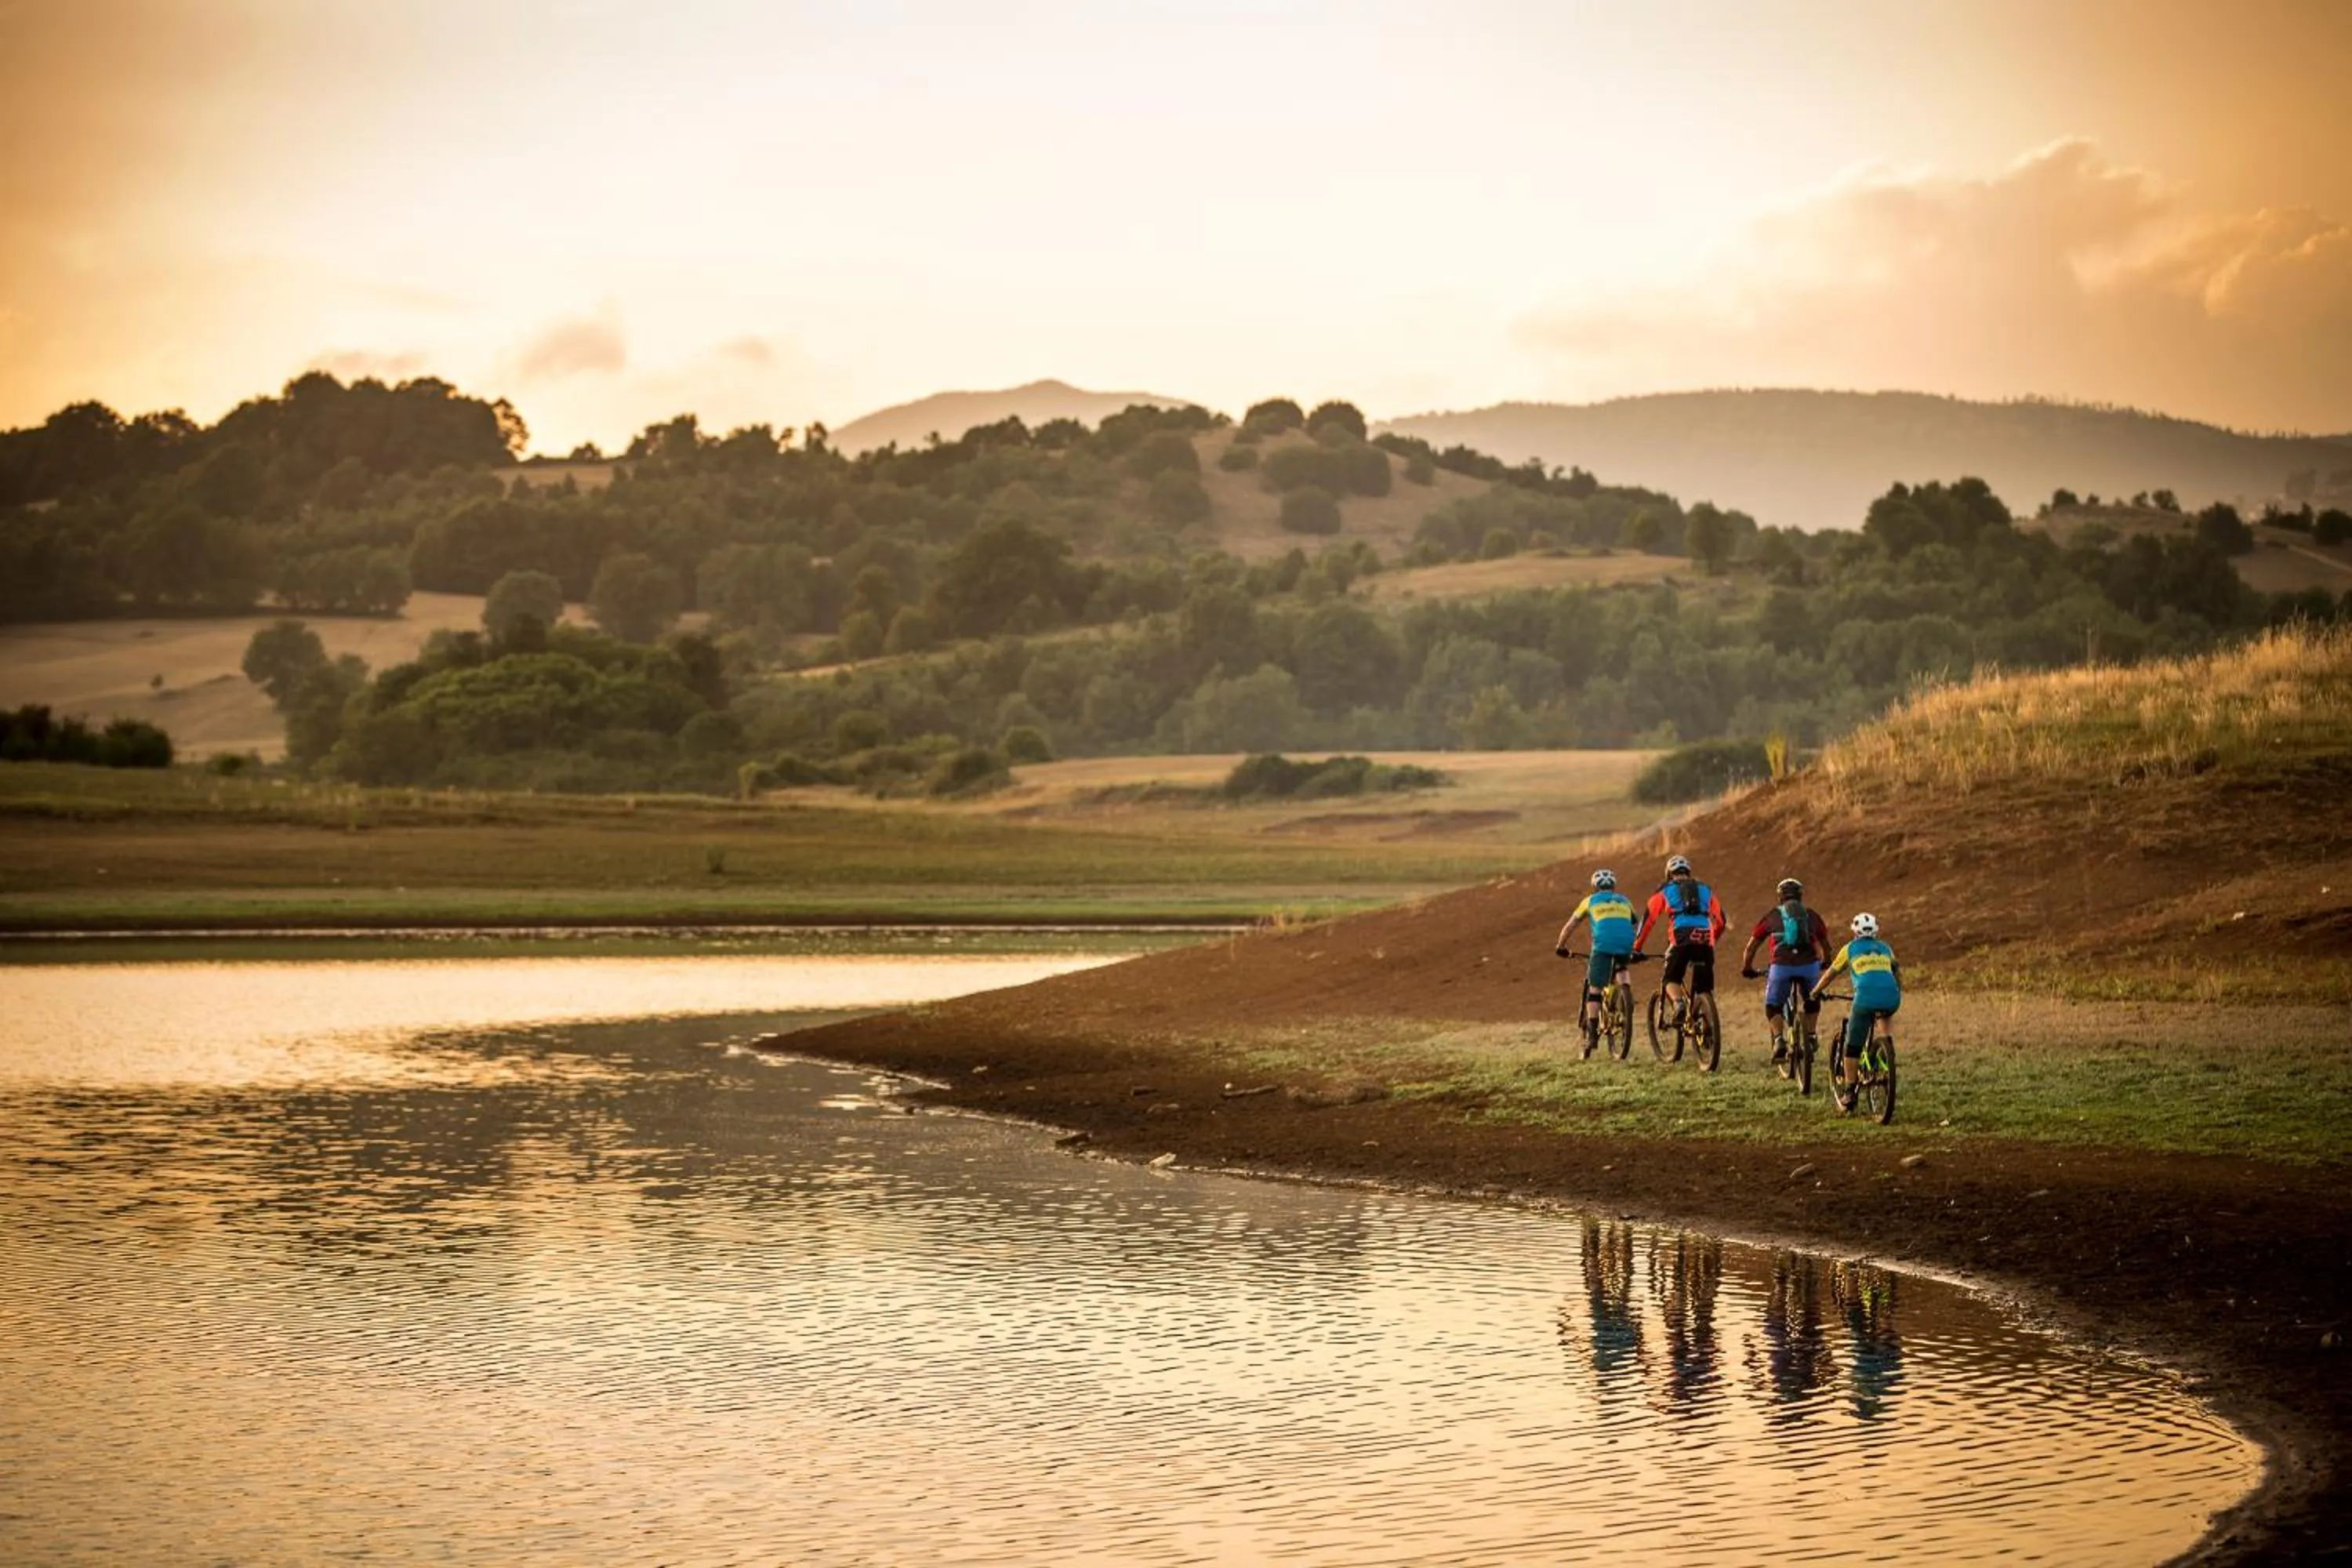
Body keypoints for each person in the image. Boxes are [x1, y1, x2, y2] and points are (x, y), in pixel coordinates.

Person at [1812, 913, 1903, 1105]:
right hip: (1892, 997)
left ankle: (1850, 1091)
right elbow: (1896, 971)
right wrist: (1897, 990)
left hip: (1864, 999)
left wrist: (1815, 991)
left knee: (1852, 1048)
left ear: (1854, 930)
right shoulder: (1886, 948)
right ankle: (1887, 1045)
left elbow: (1831, 974)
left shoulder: (1850, 948)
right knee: (1884, 1010)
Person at [1738, 877, 1832, 1063]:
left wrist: (1747, 968)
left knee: (1773, 1006)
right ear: (1800, 897)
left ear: (1780, 897)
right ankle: (1811, 1035)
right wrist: (1826, 961)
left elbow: (1751, 948)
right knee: (1812, 999)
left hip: (1781, 967)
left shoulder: (1771, 916)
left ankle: (1779, 1040)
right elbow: (1826, 946)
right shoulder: (1812, 916)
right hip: (1809, 967)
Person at [1632, 855, 1726, 1025]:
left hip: (1681, 936)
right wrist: (1712, 941)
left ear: (1669, 874)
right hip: (1705, 937)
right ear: (1688, 873)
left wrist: (1637, 947)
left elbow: (1648, 921)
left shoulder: (1665, 890)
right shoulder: (1706, 889)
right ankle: (1708, 1031)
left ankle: (1678, 1005)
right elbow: (1721, 921)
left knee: (1671, 979)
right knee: (1704, 988)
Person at [1555, 868, 1639, 1044]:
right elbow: (1636, 924)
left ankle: (1592, 1033)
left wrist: (1561, 945)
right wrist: (1635, 945)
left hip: (1602, 946)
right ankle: (1626, 991)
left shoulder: (1590, 901)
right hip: (1626, 944)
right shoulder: (1624, 900)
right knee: (1621, 968)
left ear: (1595, 886)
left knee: (1595, 989)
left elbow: (1571, 925)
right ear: (1613, 886)